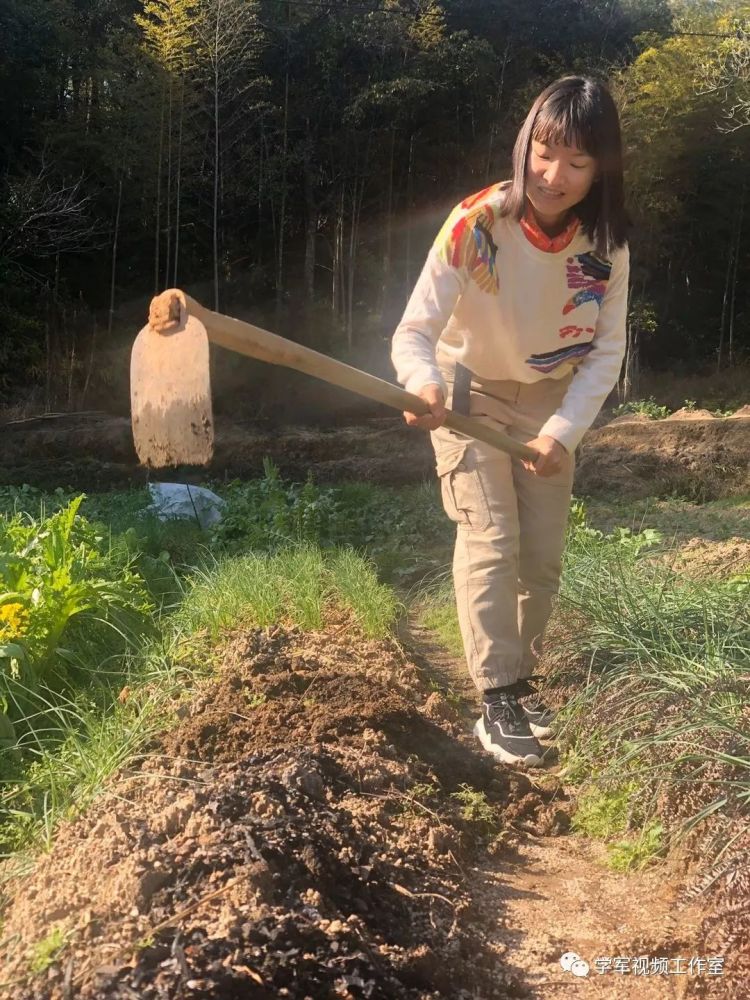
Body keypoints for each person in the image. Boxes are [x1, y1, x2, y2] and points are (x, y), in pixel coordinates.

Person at [391, 76, 630, 767]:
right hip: (468, 397)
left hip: (551, 404)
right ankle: (495, 694)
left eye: (578, 162)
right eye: (545, 152)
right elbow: (414, 331)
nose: (554, 175)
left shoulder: (606, 246)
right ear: (526, 143)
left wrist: (562, 431)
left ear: (601, 170)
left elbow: (606, 352)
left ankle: (521, 681)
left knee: (541, 557)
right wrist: (422, 382)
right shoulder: (478, 223)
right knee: (491, 537)